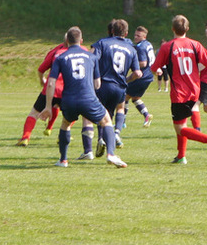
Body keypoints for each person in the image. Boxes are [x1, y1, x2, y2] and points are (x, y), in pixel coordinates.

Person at [42, 26, 128, 168]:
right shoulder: (91, 56)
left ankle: (63, 160)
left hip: (69, 100)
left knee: (65, 124)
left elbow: (51, 83)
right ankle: (111, 155)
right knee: (106, 120)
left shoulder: (61, 57)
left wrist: (47, 106)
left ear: (67, 41)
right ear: (81, 41)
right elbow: (97, 84)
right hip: (88, 98)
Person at [152, 15, 207, 164]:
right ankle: (181, 156)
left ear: (172, 29)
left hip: (179, 93)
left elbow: (155, 67)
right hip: (194, 90)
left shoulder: (167, 46)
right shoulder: (195, 45)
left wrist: (156, 71)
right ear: (187, 29)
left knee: (180, 128)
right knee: (182, 123)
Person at [90, 19, 141, 155]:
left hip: (103, 84)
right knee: (119, 108)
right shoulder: (131, 48)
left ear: (112, 31)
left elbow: (92, 59)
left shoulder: (103, 43)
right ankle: (117, 132)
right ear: (126, 33)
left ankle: (101, 138)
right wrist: (126, 79)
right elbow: (137, 73)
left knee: (102, 113)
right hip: (119, 86)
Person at [17, 41, 69, 146]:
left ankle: (25, 138)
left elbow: (41, 69)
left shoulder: (56, 51)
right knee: (70, 115)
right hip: (68, 90)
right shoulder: (83, 51)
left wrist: (42, 81)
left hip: (50, 88)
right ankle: (62, 136)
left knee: (34, 113)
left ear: (64, 41)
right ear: (80, 40)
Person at [126, 26, 156, 128]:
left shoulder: (141, 47)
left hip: (141, 76)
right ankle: (147, 115)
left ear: (144, 36)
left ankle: (121, 122)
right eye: (135, 35)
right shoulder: (148, 44)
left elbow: (143, 63)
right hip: (149, 76)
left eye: (138, 35)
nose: (135, 37)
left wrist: (131, 64)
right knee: (135, 98)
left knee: (124, 96)